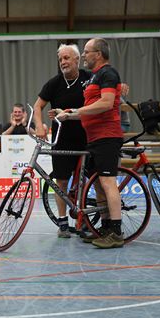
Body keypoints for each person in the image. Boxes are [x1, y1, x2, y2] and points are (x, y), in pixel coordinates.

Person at [57, 38, 124, 249]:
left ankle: (116, 232)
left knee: (108, 183)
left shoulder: (108, 73)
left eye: (87, 52)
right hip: (94, 138)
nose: (84, 55)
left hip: (106, 136)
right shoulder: (96, 76)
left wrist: (76, 112)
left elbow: (106, 103)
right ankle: (105, 227)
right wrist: (67, 114)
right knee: (100, 186)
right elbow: (89, 109)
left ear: (99, 54)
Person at [33, 44, 91, 238]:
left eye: (67, 58)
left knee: (84, 181)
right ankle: (63, 221)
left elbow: (106, 92)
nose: (63, 62)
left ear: (77, 59)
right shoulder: (54, 83)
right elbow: (37, 106)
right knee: (61, 181)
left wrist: (121, 87)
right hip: (62, 140)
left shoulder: (88, 79)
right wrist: (40, 126)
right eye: (60, 59)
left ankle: (82, 220)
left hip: (86, 138)